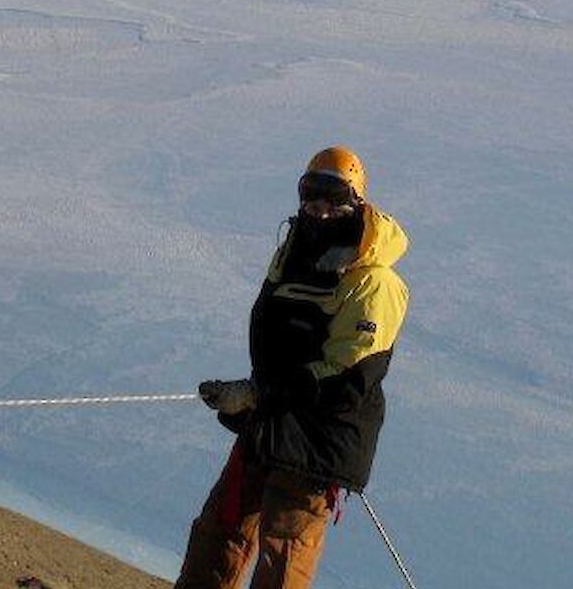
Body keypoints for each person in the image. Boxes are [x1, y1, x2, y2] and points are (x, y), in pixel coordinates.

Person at [176, 146, 410, 589]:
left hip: (319, 443)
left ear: (356, 203)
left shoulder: (375, 281)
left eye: (334, 198)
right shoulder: (292, 254)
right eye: (311, 195)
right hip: (268, 423)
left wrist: (260, 393)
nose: (320, 210)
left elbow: (348, 376)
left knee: (283, 558)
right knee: (218, 533)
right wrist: (253, 398)